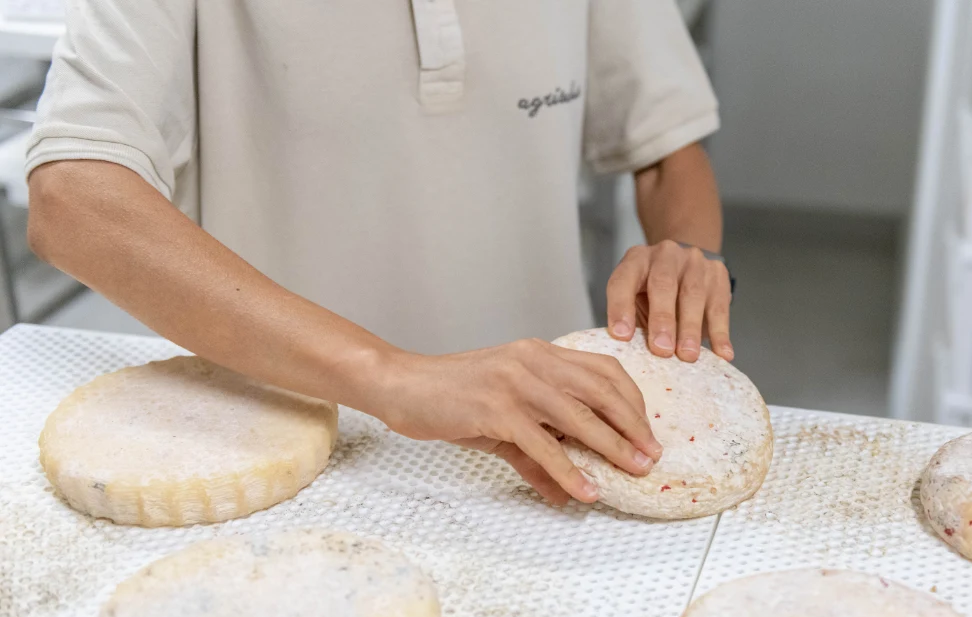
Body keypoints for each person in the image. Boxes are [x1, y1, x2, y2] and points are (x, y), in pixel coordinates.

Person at [25, 1, 732, 506]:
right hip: (282, 450)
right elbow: (73, 196)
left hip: (552, 446)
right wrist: (393, 376)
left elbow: (667, 151)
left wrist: (684, 253)